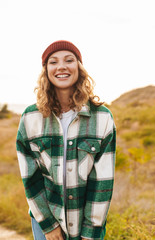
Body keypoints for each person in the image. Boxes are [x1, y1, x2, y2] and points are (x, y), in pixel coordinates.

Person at [16, 40, 116, 240]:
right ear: (46, 70)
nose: (61, 66)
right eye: (53, 62)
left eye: (69, 60)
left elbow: (102, 181)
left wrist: (91, 231)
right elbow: (31, 178)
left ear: (79, 67)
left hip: (87, 222)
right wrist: (48, 225)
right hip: (46, 221)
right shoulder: (30, 118)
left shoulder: (102, 118)